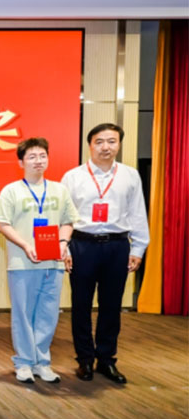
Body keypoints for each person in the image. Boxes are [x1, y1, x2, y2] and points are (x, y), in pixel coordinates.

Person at [61, 123, 149, 384]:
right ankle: (85, 360)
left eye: (112, 141)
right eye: (99, 142)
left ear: (119, 144)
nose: (105, 147)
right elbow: (63, 217)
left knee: (112, 306)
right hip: (82, 245)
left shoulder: (130, 175)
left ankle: (106, 360)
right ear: (90, 145)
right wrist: (64, 247)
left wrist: (138, 248)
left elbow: (138, 213)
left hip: (117, 246)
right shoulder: (73, 177)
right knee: (81, 305)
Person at [0, 138, 78, 384]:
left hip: (54, 263)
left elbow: (68, 221)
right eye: (32, 157)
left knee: (48, 315)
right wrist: (25, 245)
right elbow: (2, 223)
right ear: (21, 162)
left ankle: (42, 363)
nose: (38, 161)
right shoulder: (11, 190)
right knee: (23, 315)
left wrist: (63, 243)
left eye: (42, 156)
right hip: (22, 263)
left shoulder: (59, 190)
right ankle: (24, 362)